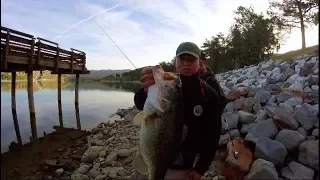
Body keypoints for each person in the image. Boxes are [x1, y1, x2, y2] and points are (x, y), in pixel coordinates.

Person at [133, 42, 227, 180]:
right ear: (175, 60)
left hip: (182, 166)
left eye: (191, 60)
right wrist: (146, 89)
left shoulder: (208, 94)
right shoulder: (167, 81)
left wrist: (201, 168)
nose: (186, 63)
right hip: (151, 157)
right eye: (182, 59)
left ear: (199, 62)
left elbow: (213, 134)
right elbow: (140, 103)